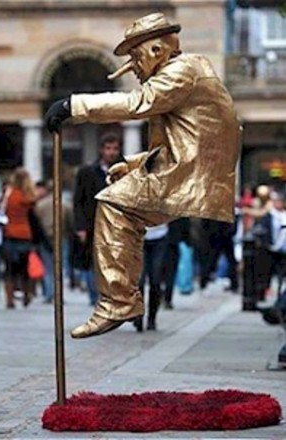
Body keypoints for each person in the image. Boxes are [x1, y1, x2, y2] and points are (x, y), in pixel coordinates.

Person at [45, 12, 241, 338]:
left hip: (191, 176)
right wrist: (136, 164)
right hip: (186, 169)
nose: (134, 69)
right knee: (123, 206)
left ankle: (119, 301)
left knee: (112, 203)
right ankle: (125, 297)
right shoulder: (187, 72)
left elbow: (138, 103)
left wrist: (73, 106)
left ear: (155, 50)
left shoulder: (181, 71)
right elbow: (181, 138)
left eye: (135, 58)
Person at [72, 133, 123, 307]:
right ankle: (97, 299)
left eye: (115, 148)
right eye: (108, 148)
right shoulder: (87, 172)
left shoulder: (126, 171)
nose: (111, 152)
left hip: (118, 226)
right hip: (94, 224)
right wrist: (80, 227)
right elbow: (78, 200)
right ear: (101, 150)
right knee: (95, 263)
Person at [2, 168, 38, 309]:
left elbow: (3, 209)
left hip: (10, 232)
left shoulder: (10, 194)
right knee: (24, 268)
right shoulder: (29, 196)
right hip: (25, 234)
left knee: (10, 269)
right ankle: (26, 293)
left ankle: (9, 299)